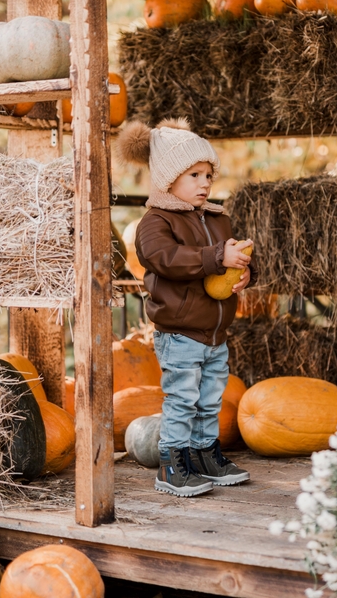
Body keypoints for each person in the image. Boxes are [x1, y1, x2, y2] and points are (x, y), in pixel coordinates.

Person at [118, 117, 254, 497]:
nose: (205, 183)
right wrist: (215, 256)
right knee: (182, 400)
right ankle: (172, 464)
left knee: (210, 398)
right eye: (193, 174)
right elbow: (166, 258)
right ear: (167, 178)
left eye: (208, 174)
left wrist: (244, 274)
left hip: (214, 332)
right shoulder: (155, 222)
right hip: (180, 333)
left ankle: (204, 454)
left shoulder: (217, 217)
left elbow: (228, 262)